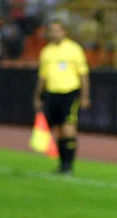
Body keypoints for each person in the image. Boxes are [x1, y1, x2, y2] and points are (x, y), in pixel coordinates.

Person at [33, 19, 91, 175]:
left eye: (57, 30)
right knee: (58, 130)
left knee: (68, 129)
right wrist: (38, 96)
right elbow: (42, 77)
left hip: (69, 93)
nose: (54, 33)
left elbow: (83, 74)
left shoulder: (74, 49)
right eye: (52, 30)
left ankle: (69, 165)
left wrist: (85, 96)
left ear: (64, 31)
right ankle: (61, 164)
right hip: (52, 94)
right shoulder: (46, 51)